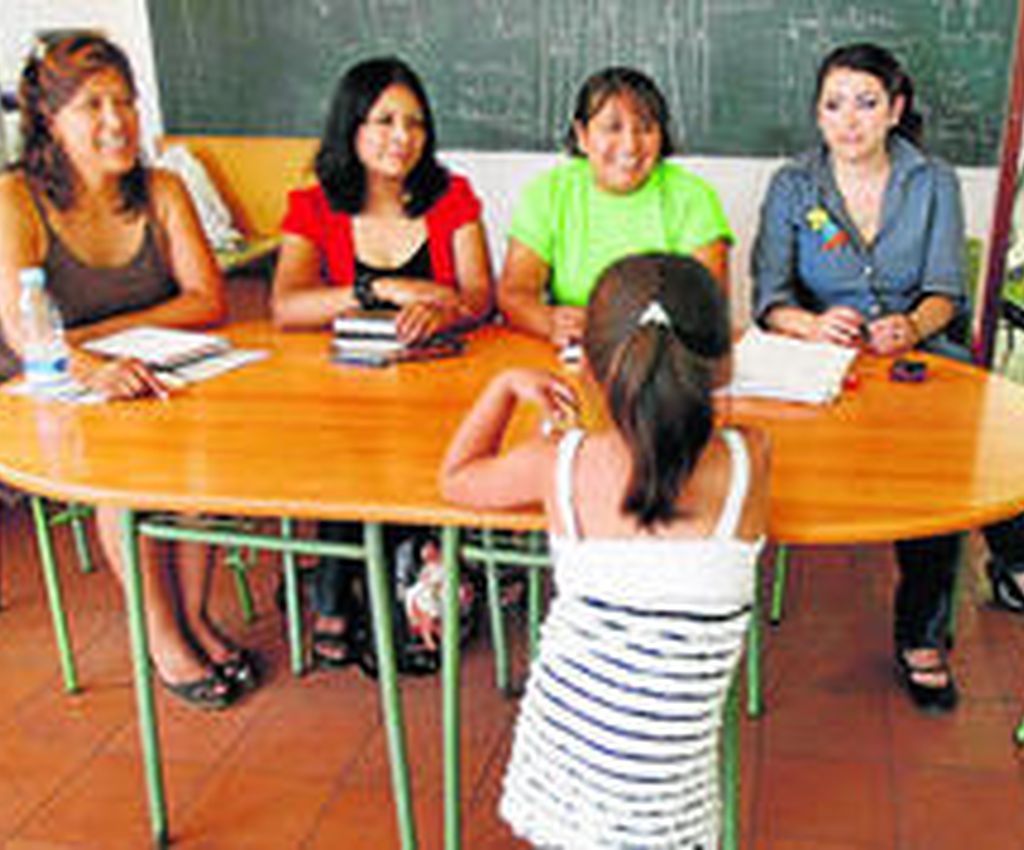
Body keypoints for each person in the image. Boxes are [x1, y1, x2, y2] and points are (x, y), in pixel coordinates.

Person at [751, 42, 1024, 713]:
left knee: (939, 474)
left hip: (922, 360)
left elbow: (946, 293)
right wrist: (813, 326)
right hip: (829, 371)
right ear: (818, 116)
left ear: (895, 109)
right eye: (833, 105)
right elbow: (770, 299)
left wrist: (910, 324)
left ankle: (923, 633)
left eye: (866, 103)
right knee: (921, 472)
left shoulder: (931, 179)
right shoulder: (793, 184)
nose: (848, 120)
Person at [0, 32, 252, 709]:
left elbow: (208, 300)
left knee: (204, 449)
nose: (116, 120)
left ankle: (198, 615)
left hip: (139, 369)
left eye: (125, 101)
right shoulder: (7, 199)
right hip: (29, 385)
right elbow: (29, 336)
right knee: (121, 470)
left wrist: (105, 339)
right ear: (49, 122)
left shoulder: (164, 188)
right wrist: (87, 356)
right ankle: (162, 634)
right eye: (92, 105)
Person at [441, 253, 770, 849]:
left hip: (568, 756)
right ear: (723, 363)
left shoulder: (561, 464)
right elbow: (684, 454)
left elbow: (458, 478)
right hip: (673, 785)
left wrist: (504, 387)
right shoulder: (751, 459)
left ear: (589, 367)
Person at [272, 57, 492, 668]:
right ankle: (338, 586)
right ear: (350, 126)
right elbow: (288, 306)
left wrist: (447, 313)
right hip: (346, 395)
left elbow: (479, 297)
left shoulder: (452, 197)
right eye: (385, 121)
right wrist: (381, 291)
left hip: (440, 394)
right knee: (347, 451)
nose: (403, 137)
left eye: (416, 123)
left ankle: (385, 586)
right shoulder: (313, 205)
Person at [497, 67, 733, 348]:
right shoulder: (549, 193)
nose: (630, 145)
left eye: (645, 128)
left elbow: (707, 303)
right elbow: (515, 293)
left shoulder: (694, 197)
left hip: (661, 356)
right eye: (613, 128)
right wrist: (550, 321)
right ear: (582, 135)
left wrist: (620, 328)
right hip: (572, 354)